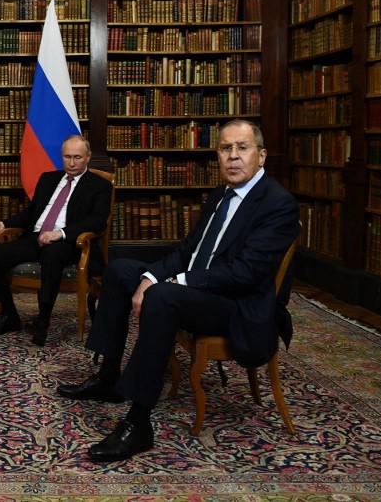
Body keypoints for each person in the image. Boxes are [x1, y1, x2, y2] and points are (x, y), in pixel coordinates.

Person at [57, 119, 299, 462]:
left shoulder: (277, 203)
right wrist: (152, 277)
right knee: (122, 270)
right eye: (225, 148)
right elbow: (187, 252)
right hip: (201, 289)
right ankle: (108, 376)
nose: (232, 157)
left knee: (163, 296)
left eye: (242, 148)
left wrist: (171, 284)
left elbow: (246, 274)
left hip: (236, 305)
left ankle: (138, 423)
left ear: (261, 156)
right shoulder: (221, 195)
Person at [0, 134, 112, 346]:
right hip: (35, 238)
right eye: (67, 157)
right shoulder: (48, 179)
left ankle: (42, 321)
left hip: (69, 243)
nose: (71, 162)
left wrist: (60, 234)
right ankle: (8, 315)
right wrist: (3, 223)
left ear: (87, 157)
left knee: (52, 254)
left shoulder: (99, 185)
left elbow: (97, 222)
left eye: (77, 157)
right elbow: (31, 213)